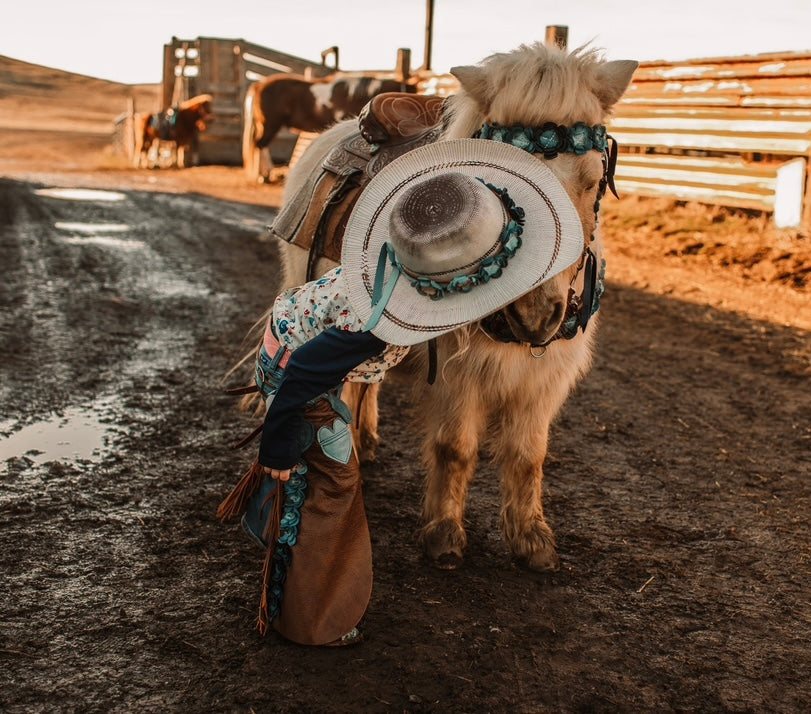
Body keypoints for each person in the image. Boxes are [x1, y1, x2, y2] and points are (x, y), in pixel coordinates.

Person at [217, 138, 584, 647]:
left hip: (307, 365)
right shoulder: (382, 322)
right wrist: (278, 444)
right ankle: (310, 619)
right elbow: (302, 371)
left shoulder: (398, 276)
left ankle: (286, 564)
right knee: (329, 495)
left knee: (318, 488)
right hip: (300, 382)